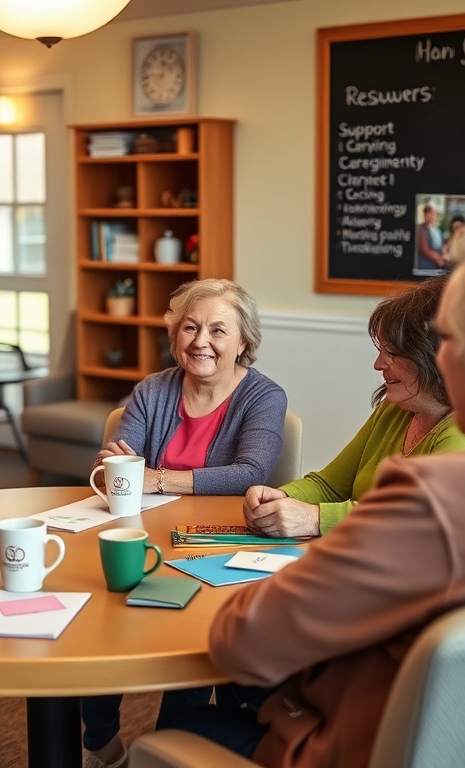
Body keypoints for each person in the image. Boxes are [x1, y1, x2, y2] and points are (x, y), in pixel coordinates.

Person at [168, 219, 465, 767]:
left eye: (452, 341)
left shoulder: (436, 497)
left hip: (364, 747)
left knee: (190, 719)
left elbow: (246, 642)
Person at [83, 277, 287, 768]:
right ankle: (101, 742)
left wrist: (159, 478)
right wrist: (117, 465)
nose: (201, 342)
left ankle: (173, 747)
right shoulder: (153, 389)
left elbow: (251, 472)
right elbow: (121, 463)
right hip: (145, 537)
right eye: (190, 328)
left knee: (194, 630)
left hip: (219, 545)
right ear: (174, 336)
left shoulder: (264, 397)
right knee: (93, 617)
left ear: (245, 342)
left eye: (218, 330)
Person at [243, 276, 465, 539]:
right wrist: (279, 498)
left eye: (394, 353)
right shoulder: (394, 409)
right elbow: (330, 486)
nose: (378, 364)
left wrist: (315, 518)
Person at [415, 203, 446, 271]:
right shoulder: (421, 229)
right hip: (426, 264)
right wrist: (437, 258)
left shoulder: (438, 230)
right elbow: (424, 249)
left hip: (438, 265)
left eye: (433, 213)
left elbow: (442, 246)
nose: (431, 216)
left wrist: (444, 256)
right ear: (425, 215)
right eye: (429, 213)